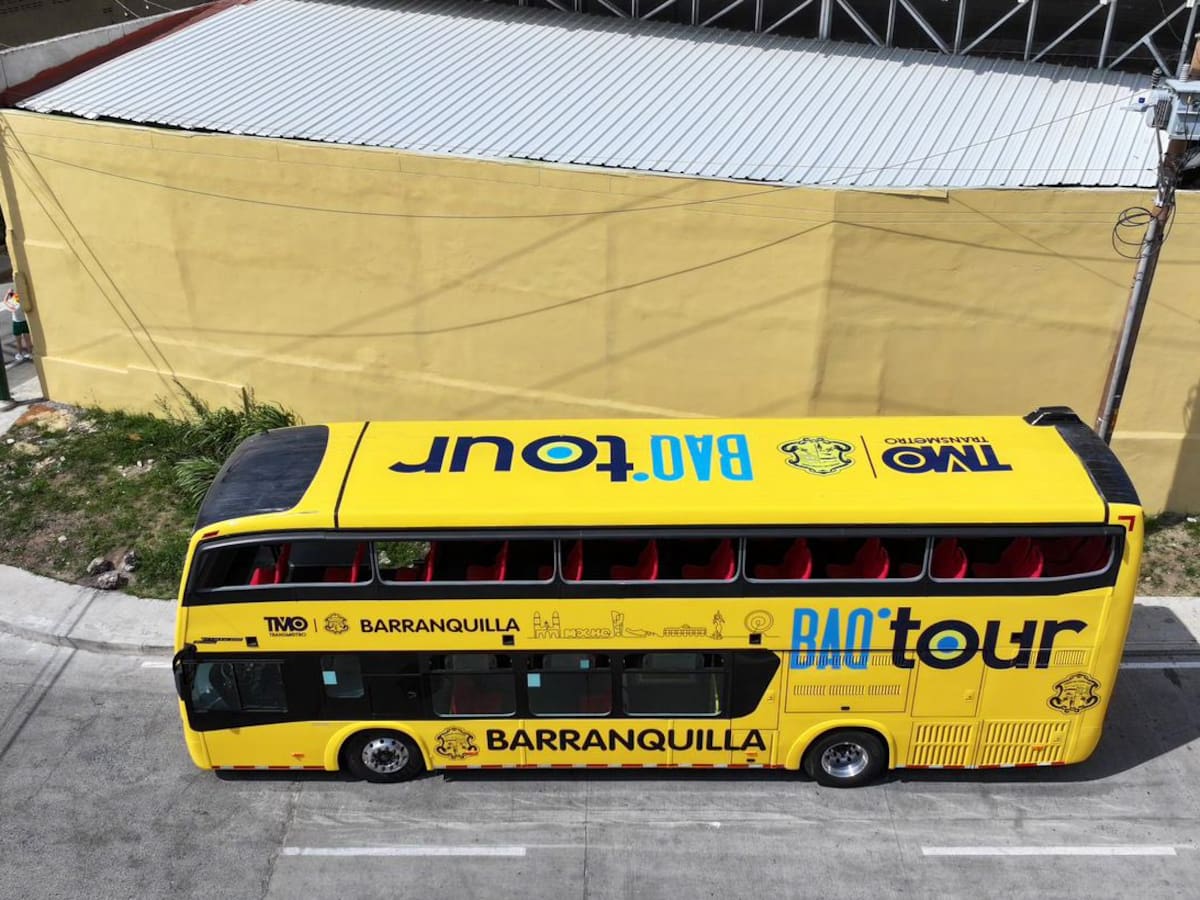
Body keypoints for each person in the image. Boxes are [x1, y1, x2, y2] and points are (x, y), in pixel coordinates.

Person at [3, 288, 33, 363]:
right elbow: (16, 297)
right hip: (24, 322)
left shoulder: (13, 305)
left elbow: (5, 301)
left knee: (18, 341)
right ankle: (30, 353)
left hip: (17, 323)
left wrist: (8, 293)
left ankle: (20, 354)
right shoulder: (21, 303)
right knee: (27, 340)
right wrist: (13, 294)